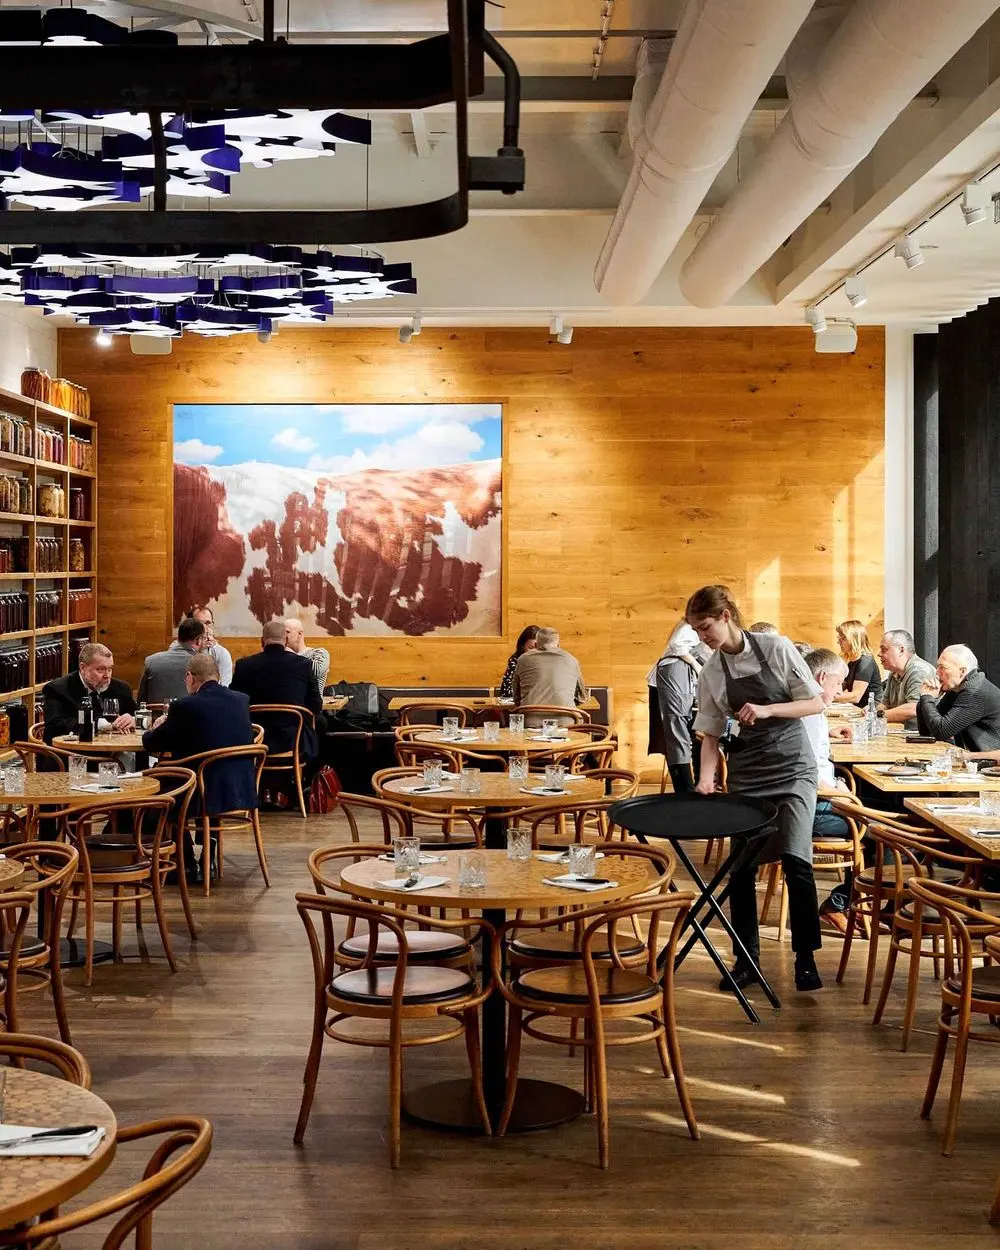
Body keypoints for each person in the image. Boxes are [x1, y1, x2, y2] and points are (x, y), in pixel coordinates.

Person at [689, 585, 825, 993]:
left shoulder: (775, 647)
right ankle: (745, 961)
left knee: (796, 860)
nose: (702, 636)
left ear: (727, 615)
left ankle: (806, 959)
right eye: (696, 629)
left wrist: (768, 709)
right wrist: (706, 777)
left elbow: (815, 703)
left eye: (706, 626)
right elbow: (710, 732)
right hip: (749, 773)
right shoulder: (712, 670)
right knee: (742, 869)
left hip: (793, 767)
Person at [143, 653, 257, 883]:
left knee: (159, 783)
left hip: (202, 790)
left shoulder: (185, 705)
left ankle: (182, 861)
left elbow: (153, 744)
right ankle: (209, 854)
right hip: (241, 786)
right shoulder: (241, 700)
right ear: (216, 675)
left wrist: (156, 727)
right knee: (206, 772)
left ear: (189, 677)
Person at [231, 619, 324, 762]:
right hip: (293, 741)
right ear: (286, 641)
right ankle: (302, 780)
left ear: (262, 641)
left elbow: (235, 704)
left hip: (255, 740)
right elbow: (316, 705)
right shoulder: (303, 665)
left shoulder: (244, 666)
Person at [647, 621, 709, 793]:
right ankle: (686, 793)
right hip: (675, 677)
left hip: (685, 682)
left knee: (694, 735)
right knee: (678, 735)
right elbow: (677, 645)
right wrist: (697, 666)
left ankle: (698, 789)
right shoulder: (690, 625)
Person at [43, 642, 136, 742]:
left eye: (110, 669)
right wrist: (101, 724)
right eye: (101, 669)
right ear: (83, 668)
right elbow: (55, 724)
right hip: (70, 752)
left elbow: (139, 715)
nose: (107, 675)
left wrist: (133, 719)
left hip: (113, 750)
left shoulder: (121, 688)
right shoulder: (57, 689)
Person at [916, 644, 1000, 751]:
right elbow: (928, 731)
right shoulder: (958, 687)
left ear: (962, 671)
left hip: (990, 763)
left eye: (943, 667)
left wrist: (927, 698)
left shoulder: (974, 692)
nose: (937, 673)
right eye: (937, 667)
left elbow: (941, 732)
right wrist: (925, 698)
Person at [511, 626, 588, 725]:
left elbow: (516, 697)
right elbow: (581, 697)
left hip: (531, 721)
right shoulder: (572, 660)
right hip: (567, 722)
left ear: (536, 644)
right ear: (559, 645)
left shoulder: (522, 660)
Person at [138, 616, 208, 704]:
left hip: (155, 717)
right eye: (204, 638)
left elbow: (141, 701)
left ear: (178, 638)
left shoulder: (151, 661)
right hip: (188, 717)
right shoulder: (203, 665)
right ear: (198, 640)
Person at [878, 629, 936, 730]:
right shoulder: (894, 671)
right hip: (903, 733)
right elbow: (884, 704)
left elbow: (913, 708)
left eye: (884, 649)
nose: (879, 654)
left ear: (901, 650)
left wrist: (878, 715)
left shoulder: (919, 671)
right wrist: (872, 712)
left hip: (922, 738)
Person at [834, 619, 883, 707]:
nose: (838, 642)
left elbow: (856, 696)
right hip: (860, 710)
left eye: (843, 638)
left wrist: (828, 696)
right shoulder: (851, 663)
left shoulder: (866, 662)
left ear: (854, 639)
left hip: (871, 713)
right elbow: (839, 688)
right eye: (839, 638)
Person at [188, 604, 233, 687]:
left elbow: (224, 687)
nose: (205, 628)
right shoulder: (179, 647)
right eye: (200, 624)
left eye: (208, 623)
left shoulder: (222, 653)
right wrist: (199, 650)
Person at [284, 618, 330, 691]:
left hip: (310, 701)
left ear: (300, 634)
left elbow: (317, 671)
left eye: (287, 632)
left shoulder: (318, 653)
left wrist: (292, 656)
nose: (283, 636)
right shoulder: (282, 656)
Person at [499, 625, 540, 699]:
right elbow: (506, 691)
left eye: (538, 648)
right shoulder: (515, 660)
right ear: (522, 646)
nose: (535, 652)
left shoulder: (546, 661)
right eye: (531, 648)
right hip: (522, 704)